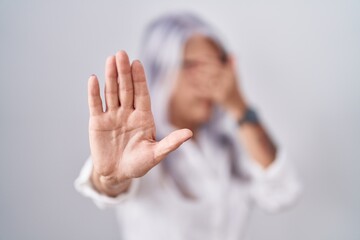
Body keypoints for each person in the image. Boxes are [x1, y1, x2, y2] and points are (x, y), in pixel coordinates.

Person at [75, 12, 301, 240]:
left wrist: (239, 107)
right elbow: (109, 184)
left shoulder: (228, 145)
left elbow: (283, 192)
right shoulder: (139, 146)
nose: (210, 82)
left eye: (217, 67)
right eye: (196, 67)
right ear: (162, 69)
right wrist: (111, 179)